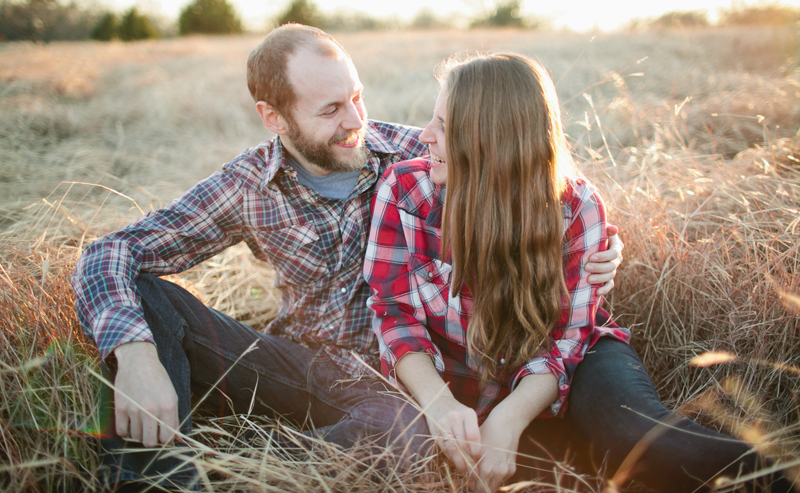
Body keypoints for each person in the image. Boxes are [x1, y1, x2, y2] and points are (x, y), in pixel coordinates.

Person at [71, 25, 624, 490]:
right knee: (143, 297)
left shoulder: (416, 153)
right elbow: (111, 251)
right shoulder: (246, 187)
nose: (356, 120)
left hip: (389, 383)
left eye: (357, 96)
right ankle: (150, 478)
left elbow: (528, 169)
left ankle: (245, 461)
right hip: (290, 363)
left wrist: (608, 246)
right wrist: (136, 354)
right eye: (331, 109)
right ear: (275, 118)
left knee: (398, 435)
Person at [364, 53, 793, 493]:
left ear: (490, 140)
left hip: (573, 362)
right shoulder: (404, 191)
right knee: (514, 469)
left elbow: (565, 340)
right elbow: (393, 314)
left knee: (638, 441)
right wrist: (439, 405)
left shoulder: (574, 207)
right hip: (457, 377)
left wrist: (509, 418)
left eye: (443, 124)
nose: (426, 136)